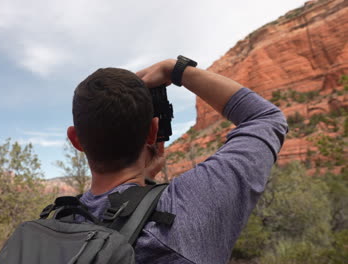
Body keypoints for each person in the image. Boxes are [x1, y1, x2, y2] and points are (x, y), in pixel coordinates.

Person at [66, 57, 288, 264]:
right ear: (153, 132)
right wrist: (175, 69)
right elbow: (266, 118)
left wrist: (140, 187)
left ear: (76, 140)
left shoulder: (58, 223)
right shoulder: (187, 208)